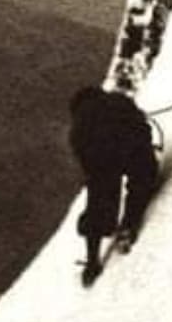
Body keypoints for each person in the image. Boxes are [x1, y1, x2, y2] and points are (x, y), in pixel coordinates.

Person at [68, 85, 159, 286]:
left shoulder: (77, 129)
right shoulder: (117, 100)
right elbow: (142, 127)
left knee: (99, 203)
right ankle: (129, 224)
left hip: (100, 161)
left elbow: (86, 164)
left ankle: (92, 261)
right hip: (131, 148)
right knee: (142, 180)